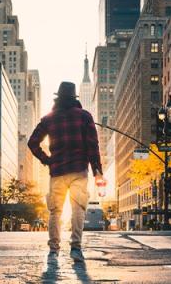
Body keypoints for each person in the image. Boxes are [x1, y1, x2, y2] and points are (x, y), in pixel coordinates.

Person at [28, 81, 103, 263]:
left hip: (58, 171)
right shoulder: (85, 117)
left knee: (56, 211)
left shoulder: (49, 119)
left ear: (58, 98)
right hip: (79, 171)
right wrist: (97, 172)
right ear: (74, 97)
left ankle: (53, 250)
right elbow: (93, 146)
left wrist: (47, 160)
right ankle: (75, 248)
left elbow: (32, 142)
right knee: (78, 208)